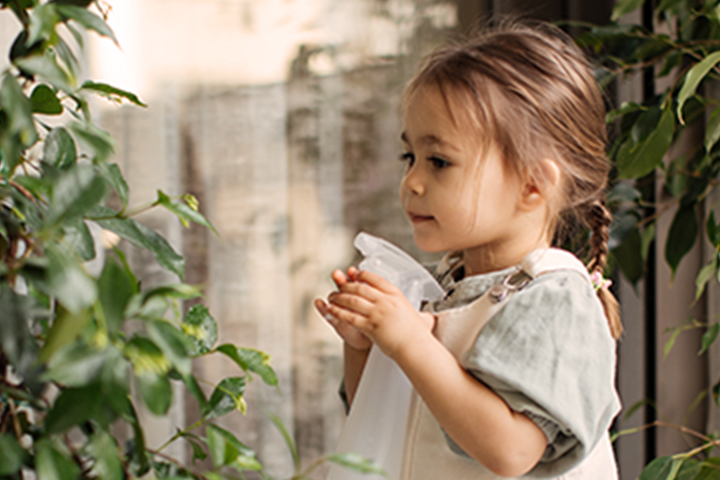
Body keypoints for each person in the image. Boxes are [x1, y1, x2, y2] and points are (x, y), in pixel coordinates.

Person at [314, 19, 622, 479]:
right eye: (410, 158)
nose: (412, 181)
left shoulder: (554, 300)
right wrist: (365, 347)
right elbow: (383, 420)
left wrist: (408, 340)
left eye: (439, 162)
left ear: (532, 185)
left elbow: (511, 452)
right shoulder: (443, 287)